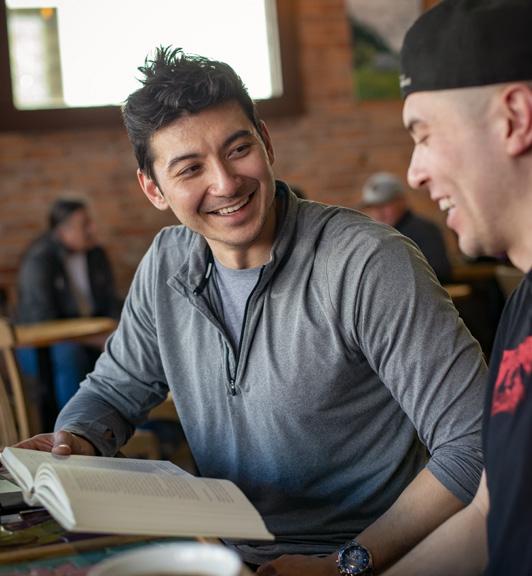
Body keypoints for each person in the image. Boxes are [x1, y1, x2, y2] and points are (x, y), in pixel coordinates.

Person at [16, 47, 487, 574]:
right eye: (190, 168)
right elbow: (111, 391)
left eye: (238, 149)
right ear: (153, 189)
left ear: (266, 141)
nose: (225, 183)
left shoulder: (368, 263)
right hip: (223, 555)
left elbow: (476, 443)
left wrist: (345, 564)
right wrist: (76, 439)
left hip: (371, 558)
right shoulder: (166, 263)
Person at [381, 1, 532, 575]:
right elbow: (489, 516)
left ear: (514, 118)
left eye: (424, 135)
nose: (414, 172)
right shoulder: (522, 306)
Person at [16, 198, 120, 411]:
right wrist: (94, 339)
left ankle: (140, 424)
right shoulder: (39, 260)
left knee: (128, 345)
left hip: (90, 333)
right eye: (85, 224)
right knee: (70, 355)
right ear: (63, 231)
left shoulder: (96, 255)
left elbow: (110, 301)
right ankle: (73, 424)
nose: (93, 229)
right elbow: (43, 322)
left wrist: (122, 329)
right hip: (39, 342)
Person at [359, 172, 452, 283]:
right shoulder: (376, 234)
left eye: (384, 205)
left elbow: (440, 272)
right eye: (373, 207)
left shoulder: (425, 230)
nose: (378, 213)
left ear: (401, 201)